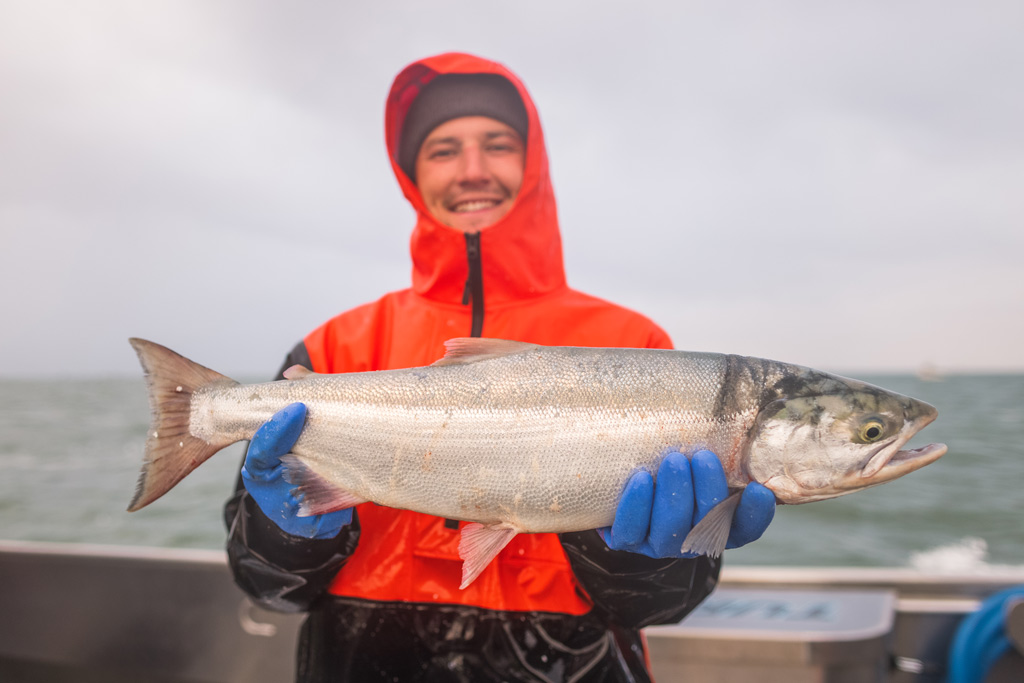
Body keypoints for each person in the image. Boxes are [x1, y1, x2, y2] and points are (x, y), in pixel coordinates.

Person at [224, 52, 775, 682]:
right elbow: (267, 588)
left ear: (532, 159)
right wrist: (284, 536)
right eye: (443, 150)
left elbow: (664, 605)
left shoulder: (634, 344)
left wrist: (642, 562)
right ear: (411, 173)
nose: (473, 170)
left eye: (497, 144)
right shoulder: (333, 350)